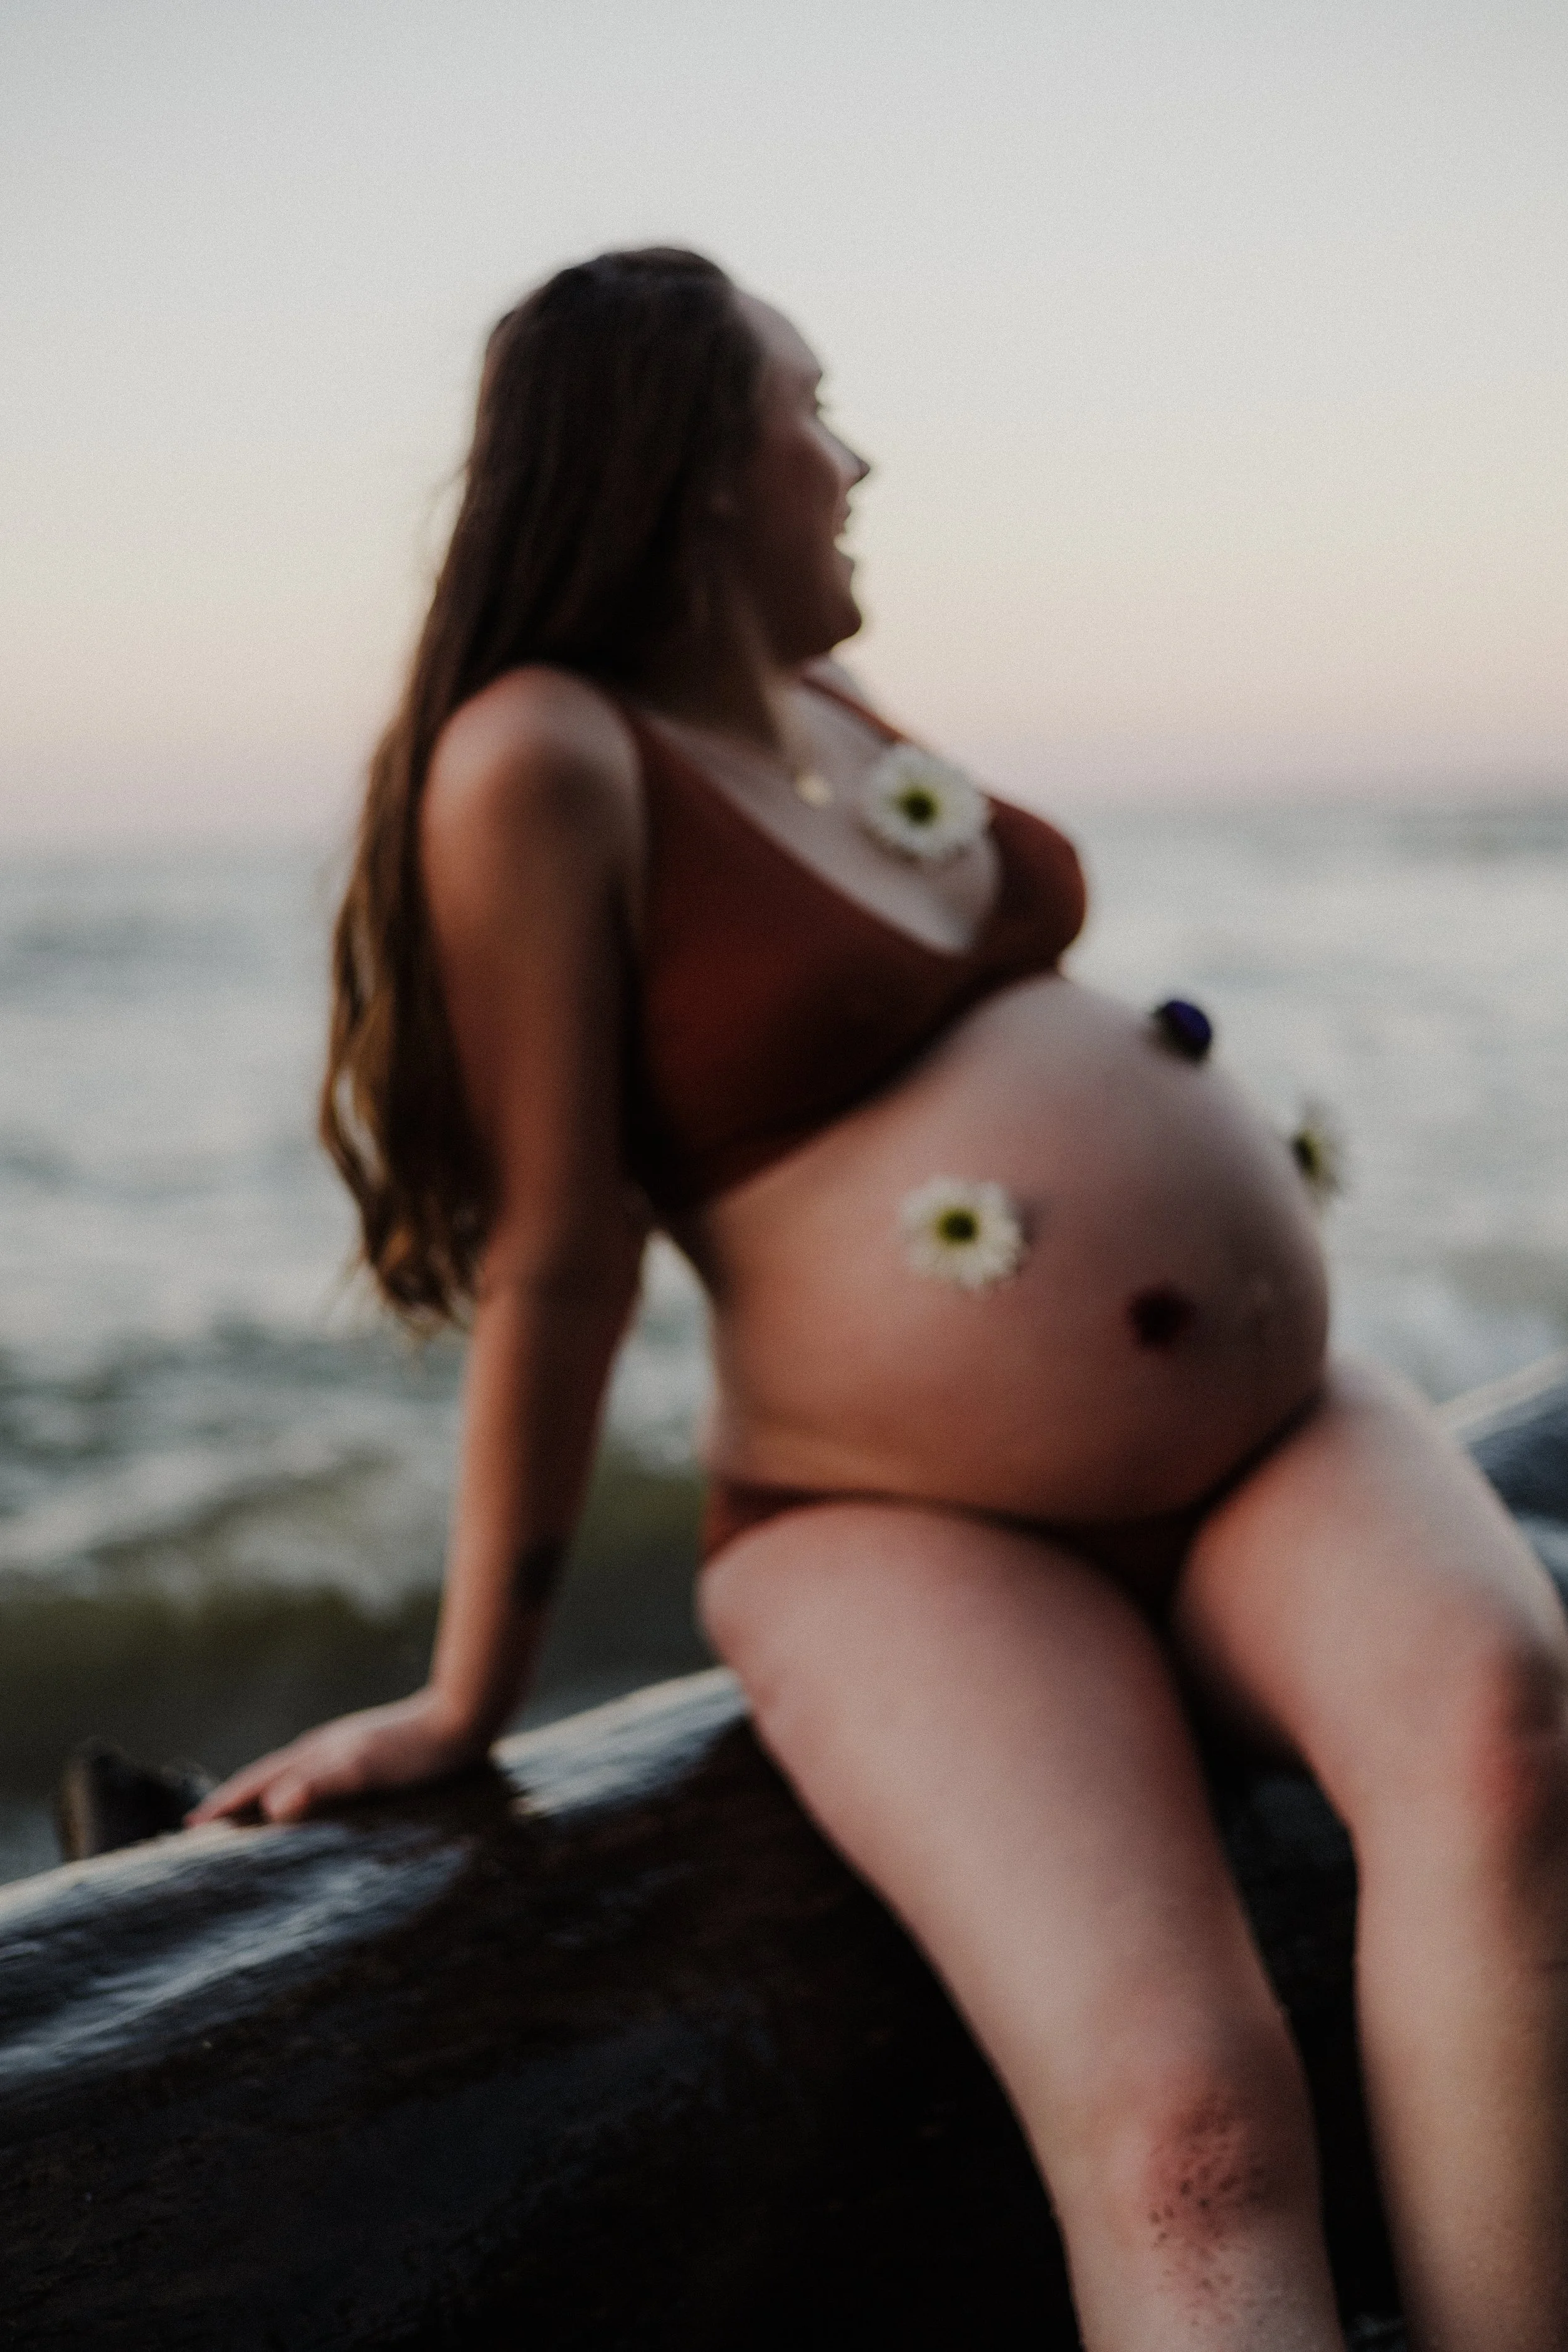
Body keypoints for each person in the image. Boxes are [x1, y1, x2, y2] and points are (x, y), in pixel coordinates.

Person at [191, 248, 1568, 2351]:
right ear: (684, 459)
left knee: (1498, 1752)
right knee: (1188, 2123)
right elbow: (563, 1246)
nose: (851, 458)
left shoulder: (823, 702)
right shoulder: (538, 751)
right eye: (807, 407)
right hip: (890, 1520)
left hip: (1272, 1442)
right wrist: (469, 1694)